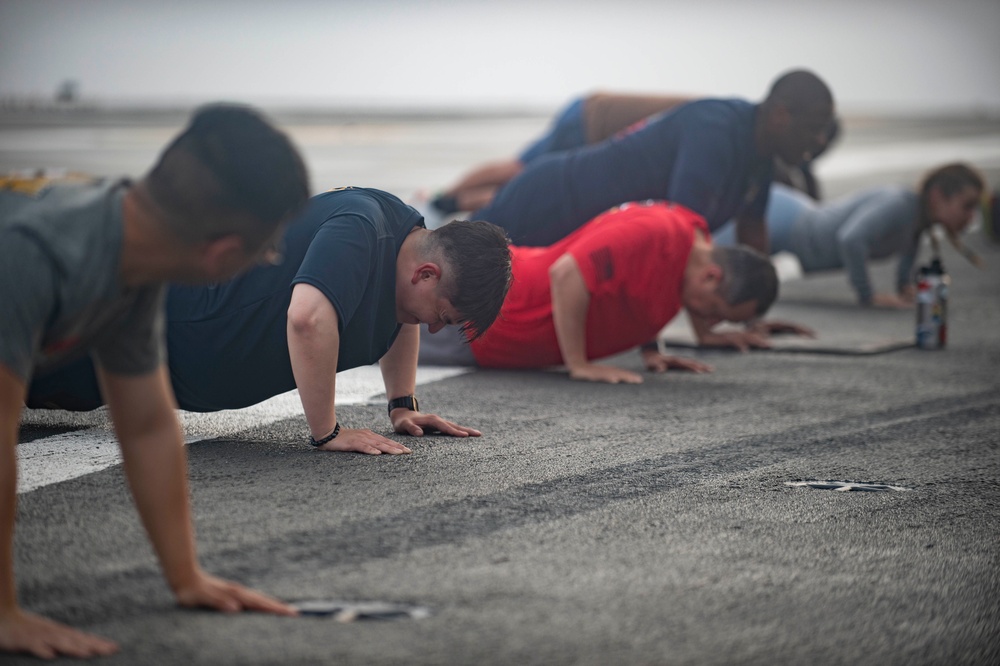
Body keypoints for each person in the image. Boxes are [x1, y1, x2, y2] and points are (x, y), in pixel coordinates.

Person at [1, 104, 310, 659]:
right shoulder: (32, 254)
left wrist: (187, 577)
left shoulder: (129, 261)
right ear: (221, 254)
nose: (270, 260)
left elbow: (145, 425)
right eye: (267, 250)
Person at [28, 187, 513, 456]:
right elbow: (306, 317)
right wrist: (328, 433)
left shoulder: (406, 254)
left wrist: (401, 405)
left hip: (162, 368)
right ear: (426, 273)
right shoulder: (361, 228)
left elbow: (402, 319)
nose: (432, 330)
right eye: (443, 317)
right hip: (135, 329)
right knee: (25, 371)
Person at [470, 69, 836, 257]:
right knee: (457, 264)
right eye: (816, 129)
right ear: (781, 116)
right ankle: (439, 204)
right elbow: (681, 237)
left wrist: (751, 314)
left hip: (575, 228)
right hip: (549, 198)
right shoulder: (717, 131)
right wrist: (706, 326)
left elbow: (752, 230)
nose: (821, 141)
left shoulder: (761, 157)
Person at [418, 200, 779, 383]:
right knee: (379, 329)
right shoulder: (658, 232)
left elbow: (642, 281)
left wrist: (653, 349)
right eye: (715, 311)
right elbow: (568, 274)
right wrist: (580, 365)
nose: (710, 321)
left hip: (502, 333)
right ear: (712, 277)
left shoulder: (690, 250)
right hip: (491, 319)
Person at [431, 91, 837, 215]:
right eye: (814, 135)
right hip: (593, 118)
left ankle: (460, 200)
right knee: (521, 168)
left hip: (605, 133)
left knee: (528, 180)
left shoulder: (747, 133)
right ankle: (444, 196)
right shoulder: (720, 131)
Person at [712, 163, 986, 307]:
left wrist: (904, 287)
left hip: (796, 222)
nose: (970, 217)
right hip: (784, 217)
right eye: (967, 206)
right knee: (711, 264)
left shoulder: (917, 220)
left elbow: (908, 249)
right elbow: (851, 238)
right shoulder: (900, 203)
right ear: (938, 196)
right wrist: (868, 295)